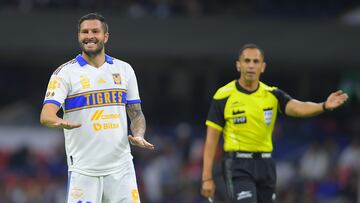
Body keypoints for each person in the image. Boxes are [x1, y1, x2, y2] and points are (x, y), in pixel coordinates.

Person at [200, 43, 348, 203]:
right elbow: (211, 139)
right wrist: (206, 178)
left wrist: (324, 105)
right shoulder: (224, 95)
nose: (251, 66)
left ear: (262, 67)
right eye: (247, 61)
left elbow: (299, 107)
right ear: (238, 65)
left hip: (266, 165)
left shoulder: (272, 95)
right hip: (237, 165)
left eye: (255, 62)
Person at [40, 13, 154, 203]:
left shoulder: (124, 69)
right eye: (85, 32)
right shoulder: (64, 73)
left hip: (121, 168)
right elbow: (46, 115)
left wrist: (139, 135)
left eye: (95, 31)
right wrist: (60, 121)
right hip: (84, 170)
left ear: (105, 36)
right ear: (79, 36)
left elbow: (136, 114)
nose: (89, 36)